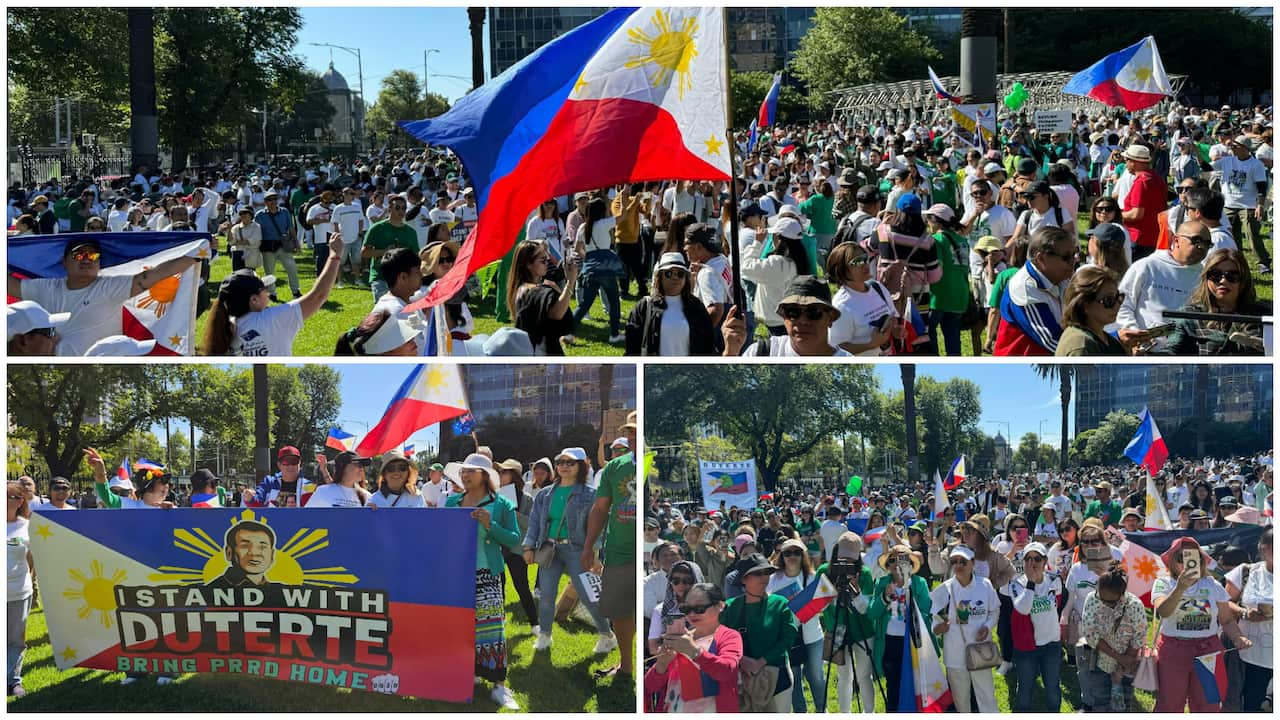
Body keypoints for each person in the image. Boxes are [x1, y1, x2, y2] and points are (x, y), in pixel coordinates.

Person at [9, 237, 201, 356]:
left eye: (93, 256)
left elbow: (154, 275)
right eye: (78, 255)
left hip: (102, 367)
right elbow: (10, 285)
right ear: (64, 262)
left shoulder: (109, 287)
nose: (86, 259)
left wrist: (196, 254)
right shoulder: (46, 288)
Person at [445, 453, 523, 710]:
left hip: (487, 572)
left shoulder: (501, 504)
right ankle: (468, 673)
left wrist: (491, 525)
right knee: (459, 626)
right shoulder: (452, 502)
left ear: (485, 476)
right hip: (457, 573)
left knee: (491, 629)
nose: (465, 475)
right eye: (464, 471)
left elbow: (513, 539)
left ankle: (498, 685)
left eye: (471, 471)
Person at [524, 447, 615, 653]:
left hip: (578, 550)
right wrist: (529, 546)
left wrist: (595, 553)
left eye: (570, 462)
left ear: (581, 466)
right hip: (549, 548)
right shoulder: (545, 494)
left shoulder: (591, 494)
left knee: (588, 595)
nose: (564, 466)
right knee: (546, 595)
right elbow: (534, 521)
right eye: (560, 462)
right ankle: (545, 636)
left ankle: (607, 635)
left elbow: (599, 527)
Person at [1152, 536, 1252, 712]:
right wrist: (1180, 588)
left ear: (1200, 561)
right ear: (1172, 561)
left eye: (1193, 557)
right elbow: (1163, 611)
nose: (1187, 562)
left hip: (1208, 650)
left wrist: (1238, 637)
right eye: (1181, 558)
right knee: (1169, 703)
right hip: (1173, 650)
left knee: (1208, 704)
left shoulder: (1213, 585)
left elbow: (1227, 620)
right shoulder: (1163, 583)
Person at [200, 233, 342, 355]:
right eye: (264, 289)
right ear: (254, 300)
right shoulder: (274, 318)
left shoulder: (226, 328)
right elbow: (319, 296)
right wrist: (334, 256)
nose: (268, 292)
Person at [583, 413, 637, 679]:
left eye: (638, 430)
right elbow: (600, 507)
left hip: (654, 552)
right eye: (630, 431)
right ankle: (626, 666)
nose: (632, 436)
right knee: (620, 610)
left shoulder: (656, 464)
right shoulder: (615, 468)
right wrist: (589, 545)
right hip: (618, 550)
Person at [644, 582, 743, 713]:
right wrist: (662, 663)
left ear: (720, 605)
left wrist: (693, 651)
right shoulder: (682, 638)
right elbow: (651, 685)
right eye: (686, 609)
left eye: (699, 609)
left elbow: (726, 671)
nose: (692, 614)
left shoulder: (729, 636)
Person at [1115, 219, 1211, 348]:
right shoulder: (1146, 266)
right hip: (1144, 350)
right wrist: (1133, 331)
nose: (1202, 247)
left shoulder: (1206, 277)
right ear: (1176, 240)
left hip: (1185, 353)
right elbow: (1123, 304)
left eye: (1207, 244)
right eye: (1197, 241)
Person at [1153, 248, 1269, 355]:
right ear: (1206, 279)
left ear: (1243, 279)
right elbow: (1171, 350)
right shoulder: (1189, 316)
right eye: (1216, 275)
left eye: (1232, 275)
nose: (1223, 281)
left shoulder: (1264, 316)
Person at [722, 553, 800, 712]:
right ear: (743, 579)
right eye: (757, 573)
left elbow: (788, 638)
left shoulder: (780, 603)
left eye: (766, 572)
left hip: (778, 675)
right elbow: (720, 640)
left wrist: (761, 662)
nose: (763, 577)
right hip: (742, 678)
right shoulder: (730, 607)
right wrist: (742, 660)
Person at [929, 545, 999, 713]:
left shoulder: (985, 585)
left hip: (981, 650)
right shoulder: (945, 588)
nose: (958, 565)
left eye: (963, 562)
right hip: (955, 654)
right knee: (961, 699)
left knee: (987, 696)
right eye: (954, 562)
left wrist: (988, 627)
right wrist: (937, 627)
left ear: (973, 563)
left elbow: (995, 610)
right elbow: (930, 615)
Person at [869, 544, 935, 713]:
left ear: (910, 564)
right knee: (893, 687)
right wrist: (884, 597)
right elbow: (872, 613)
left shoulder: (919, 583)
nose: (897, 564)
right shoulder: (882, 583)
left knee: (916, 687)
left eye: (902, 559)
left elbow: (926, 609)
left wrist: (907, 588)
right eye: (892, 560)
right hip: (891, 642)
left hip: (914, 641)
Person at [994, 227, 1076, 356]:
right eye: (1066, 257)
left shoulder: (1060, 277)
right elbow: (1053, 341)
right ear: (1041, 258)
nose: (1073, 261)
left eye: (1074, 254)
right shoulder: (1024, 288)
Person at [766, 538, 827, 711]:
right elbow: (770, 607)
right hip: (788, 637)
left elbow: (823, 604)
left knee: (816, 677)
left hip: (813, 635)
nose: (792, 557)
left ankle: (822, 710)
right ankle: (801, 712)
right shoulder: (773, 580)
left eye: (796, 553)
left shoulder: (813, 577)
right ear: (781, 556)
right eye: (787, 553)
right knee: (794, 679)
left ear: (803, 555)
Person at [723, 276, 851, 357]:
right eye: (793, 312)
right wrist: (730, 352)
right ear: (784, 317)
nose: (803, 321)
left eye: (813, 313)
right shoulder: (761, 352)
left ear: (830, 318)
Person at [1079, 562, 1147, 712]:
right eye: (1100, 597)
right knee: (1101, 703)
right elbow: (1090, 633)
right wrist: (1118, 657)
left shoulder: (1134, 605)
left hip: (1128, 666)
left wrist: (1126, 661)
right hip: (1100, 662)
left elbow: (1140, 635)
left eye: (1109, 601)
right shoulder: (1092, 599)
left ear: (1121, 595)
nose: (1103, 602)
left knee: (1124, 704)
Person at [1007, 542, 1063, 712]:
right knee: (1025, 688)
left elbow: (1058, 604)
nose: (1032, 563)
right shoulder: (1016, 584)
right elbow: (1023, 608)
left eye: (1037, 559)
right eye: (1028, 559)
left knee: (1053, 686)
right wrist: (1031, 584)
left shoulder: (1054, 580)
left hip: (1052, 644)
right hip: (1027, 648)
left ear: (1045, 561)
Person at [625, 252, 716, 356]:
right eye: (669, 273)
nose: (675, 277)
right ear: (660, 277)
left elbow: (707, 344)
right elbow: (631, 347)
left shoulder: (696, 306)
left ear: (685, 278)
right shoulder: (645, 307)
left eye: (680, 273)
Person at [1224, 527, 1272, 712]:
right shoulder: (1245, 572)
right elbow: (1225, 604)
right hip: (1249, 655)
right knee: (1251, 705)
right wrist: (1245, 613)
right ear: (1262, 548)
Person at [741, 215, 809, 336]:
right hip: (786, 318)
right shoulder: (797, 261)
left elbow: (746, 268)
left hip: (777, 323)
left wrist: (757, 242)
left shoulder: (777, 263)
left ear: (778, 237)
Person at [508, 240, 578, 356]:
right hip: (541, 354)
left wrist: (558, 290)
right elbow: (557, 313)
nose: (547, 263)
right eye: (543, 260)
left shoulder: (520, 287)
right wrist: (570, 283)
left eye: (547, 259)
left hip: (529, 351)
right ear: (528, 264)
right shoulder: (532, 290)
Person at [1213, 135, 1270, 273]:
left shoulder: (1256, 165)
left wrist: (1260, 206)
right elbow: (1205, 167)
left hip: (1249, 206)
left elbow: (1261, 187)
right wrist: (1196, 152)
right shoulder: (1227, 161)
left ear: (1245, 148)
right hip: (1229, 205)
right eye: (1232, 145)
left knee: (1252, 234)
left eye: (1235, 145)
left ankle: (1263, 262)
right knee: (1231, 236)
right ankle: (1236, 261)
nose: (1232, 148)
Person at [1056, 266, 1128, 356]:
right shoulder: (1080, 346)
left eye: (1118, 297)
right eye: (1109, 300)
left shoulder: (1106, 339)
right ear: (1084, 304)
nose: (1117, 305)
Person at [362, 194, 420, 302]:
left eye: (403, 208)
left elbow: (416, 256)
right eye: (397, 208)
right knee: (384, 314)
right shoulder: (377, 228)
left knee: (403, 313)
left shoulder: (411, 232)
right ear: (389, 209)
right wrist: (384, 252)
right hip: (381, 276)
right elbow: (364, 253)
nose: (401, 211)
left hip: (403, 279)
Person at [1118, 144, 1168, 261]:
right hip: (1154, 235)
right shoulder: (1156, 177)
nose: (1125, 164)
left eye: (1127, 160)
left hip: (1139, 238)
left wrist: (1116, 215)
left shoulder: (1142, 182)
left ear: (1134, 162)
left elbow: (1136, 214)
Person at [7, 481, 32, 699]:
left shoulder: (26, 526)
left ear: (20, 501)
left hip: (19, 592)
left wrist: (27, 581)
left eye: (10, 496)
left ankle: (13, 680)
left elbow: (31, 558)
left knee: (16, 639)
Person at [645, 560, 703, 656]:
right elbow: (653, 648)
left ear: (697, 580)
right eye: (675, 580)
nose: (681, 584)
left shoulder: (709, 608)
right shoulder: (660, 610)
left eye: (687, 580)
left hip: (702, 657)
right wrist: (669, 645)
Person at [256, 191, 301, 301]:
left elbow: (291, 228)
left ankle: (296, 291)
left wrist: (296, 241)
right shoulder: (260, 215)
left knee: (292, 269)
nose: (273, 202)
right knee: (269, 272)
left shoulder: (285, 212)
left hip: (283, 245)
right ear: (265, 202)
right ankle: (272, 293)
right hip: (267, 246)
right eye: (270, 200)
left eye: (275, 199)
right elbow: (256, 232)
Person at [244, 446, 317, 508]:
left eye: (294, 461)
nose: (290, 466)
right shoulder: (269, 483)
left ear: (299, 463)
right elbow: (256, 504)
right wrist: (249, 498)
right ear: (279, 465)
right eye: (286, 462)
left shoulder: (309, 486)